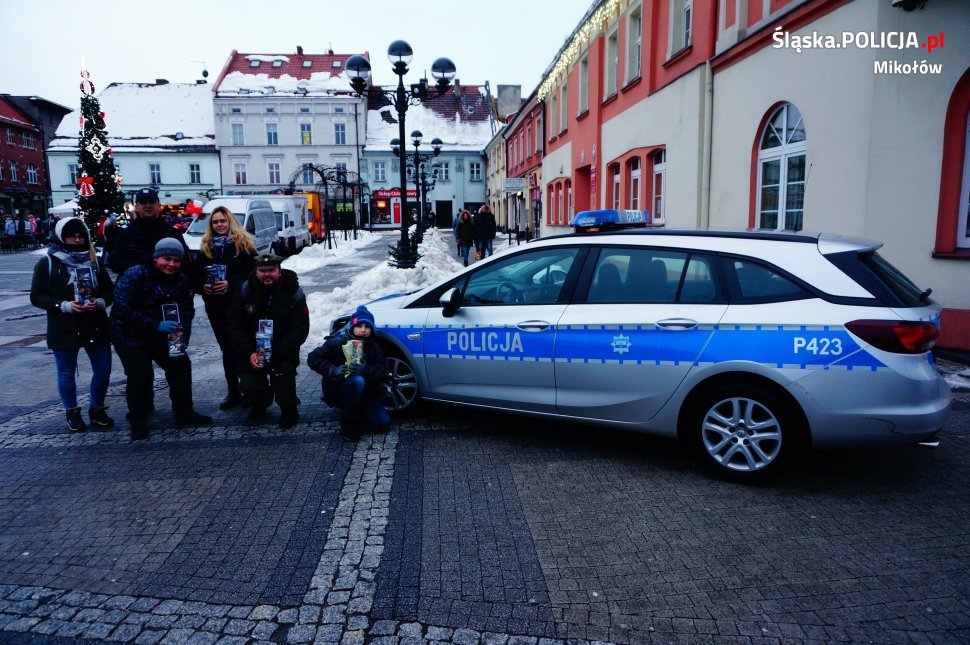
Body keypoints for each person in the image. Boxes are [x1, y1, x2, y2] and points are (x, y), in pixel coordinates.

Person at [110, 238, 211, 440]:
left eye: (176, 260)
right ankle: (138, 420)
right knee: (140, 375)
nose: (171, 264)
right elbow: (122, 307)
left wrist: (182, 336)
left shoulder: (180, 279)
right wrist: (154, 324)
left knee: (181, 366)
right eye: (167, 259)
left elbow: (186, 308)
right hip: (130, 333)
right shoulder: (136, 273)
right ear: (156, 259)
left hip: (165, 335)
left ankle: (184, 413)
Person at [30, 217, 114, 432]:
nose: (76, 240)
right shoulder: (48, 262)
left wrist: (100, 302)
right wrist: (63, 305)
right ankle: (72, 411)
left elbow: (108, 289)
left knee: (103, 370)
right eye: (71, 235)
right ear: (61, 237)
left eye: (80, 235)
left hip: (94, 323)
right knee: (66, 372)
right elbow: (37, 296)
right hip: (64, 326)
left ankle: (97, 408)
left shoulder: (94, 261)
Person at [226, 254, 310, 429]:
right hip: (253, 351)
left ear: (279, 271)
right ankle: (261, 401)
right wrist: (250, 353)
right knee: (248, 384)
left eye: (271, 270)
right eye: (262, 271)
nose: (266, 274)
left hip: (282, 350)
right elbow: (234, 325)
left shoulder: (293, 290)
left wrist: (278, 352)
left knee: (283, 378)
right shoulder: (244, 290)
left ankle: (289, 408)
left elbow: (300, 328)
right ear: (256, 271)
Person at [193, 206, 257, 409]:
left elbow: (254, 276)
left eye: (223, 221)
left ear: (230, 222)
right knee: (227, 350)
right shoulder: (206, 248)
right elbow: (194, 276)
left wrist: (231, 283)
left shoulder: (244, 245)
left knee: (242, 347)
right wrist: (201, 285)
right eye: (215, 222)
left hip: (239, 307)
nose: (219, 225)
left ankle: (249, 390)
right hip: (216, 307)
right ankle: (233, 391)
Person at [308, 306, 390, 442]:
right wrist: (332, 370)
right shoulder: (337, 342)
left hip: (367, 393)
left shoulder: (375, 347)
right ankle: (349, 422)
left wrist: (365, 370)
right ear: (352, 327)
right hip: (340, 389)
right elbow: (313, 357)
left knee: (382, 423)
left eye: (367, 327)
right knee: (358, 381)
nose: (363, 330)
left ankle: (359, 410)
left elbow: (382, 373)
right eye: (359, 325)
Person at [109, 187, 190, 276]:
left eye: (152, 202)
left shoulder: (173, 233)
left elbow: (185, 262)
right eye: (143, 202)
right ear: (137, 206)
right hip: (135, 286)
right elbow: (115, 264)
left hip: (165, 285)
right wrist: (143, 266)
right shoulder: (124, 233)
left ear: (158, 205)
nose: (148, 205)